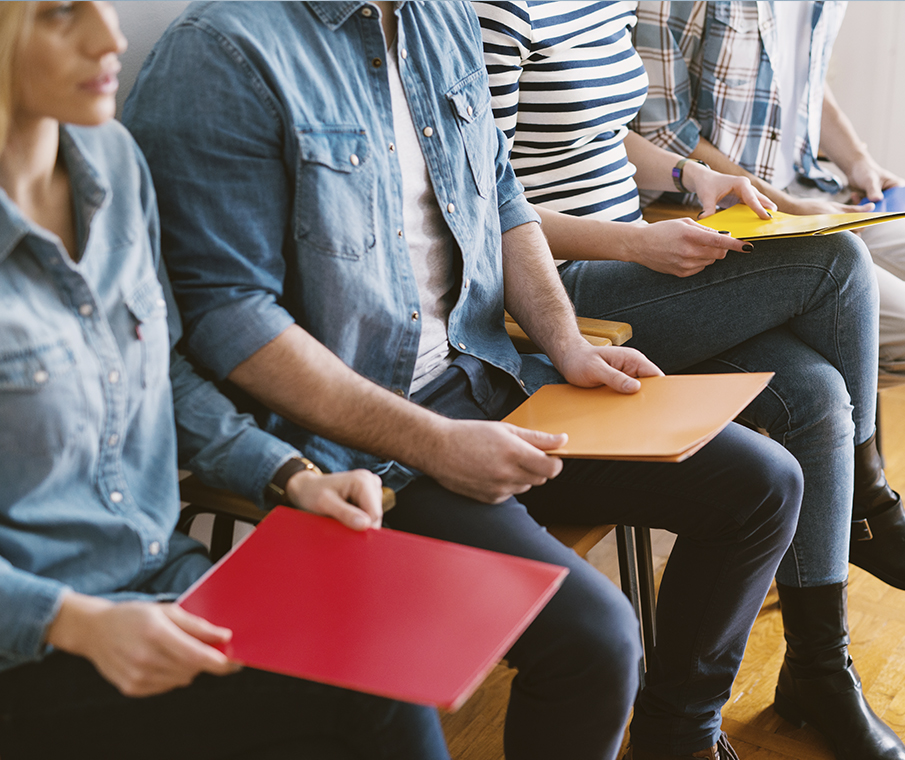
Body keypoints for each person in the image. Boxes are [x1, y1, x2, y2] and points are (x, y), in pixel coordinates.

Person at [122, 3, 804, 760]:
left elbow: (500, 195)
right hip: (360, 449)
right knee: (595, 639)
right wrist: (435, 443)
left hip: (486, 377)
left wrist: (566, 342)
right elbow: (229, 320)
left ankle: (679, 738)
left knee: (765, 485)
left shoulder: (437, 15)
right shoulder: (221, 52)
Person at [474, 2, 905, 758]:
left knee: (815, 394)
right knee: (838, 262)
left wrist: (691, 175)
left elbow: (606, 129)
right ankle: (870, 507)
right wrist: (636, 242)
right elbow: (483, 202)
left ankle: (817, 671)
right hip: (561, 283)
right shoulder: (493, 14)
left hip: (632, 256)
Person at [0, 3, 452, 759]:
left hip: (161, 582)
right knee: (371, 689)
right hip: (32, 649)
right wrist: (71, 621)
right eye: (57, 13)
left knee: (383, 643)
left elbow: (162, 374)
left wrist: (289, 475)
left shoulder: (110, 158)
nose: (110, 39)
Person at [632, 1, 905, 392]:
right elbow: (662, 131)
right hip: (724, 212)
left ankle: (805, 382)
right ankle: (798, 403)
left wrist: (858, 161)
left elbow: (806, 79)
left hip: (809, 189)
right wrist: (790, 210)